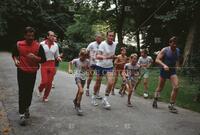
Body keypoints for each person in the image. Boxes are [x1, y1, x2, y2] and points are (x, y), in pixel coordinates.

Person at [12, 27, 46, 126]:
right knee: (22, 92)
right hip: (21, 71)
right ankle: (21, 114)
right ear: (25, 35)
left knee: (29, 92)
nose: (31, 38)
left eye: (32, 36)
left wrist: (35, 58)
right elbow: (14, 54)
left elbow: (43, 60)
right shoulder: (19, 44)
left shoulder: (38, 46)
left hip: (32, 72)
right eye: (29, 36)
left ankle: (26, 107)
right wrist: (16, 61)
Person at [152, 36, 180, 113]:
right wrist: (164, 65)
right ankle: (155, 99)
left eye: (176, 43)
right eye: (173, 43)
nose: (174, 45)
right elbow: (157, 59)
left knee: (176, 87)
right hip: (164, 71)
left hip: (172, 71)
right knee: (160, 87)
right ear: (170, 43)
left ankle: (171, 105)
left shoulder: (177, 50)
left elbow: (177, 60)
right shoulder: (165, 50)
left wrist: (178, 66)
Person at [91, 31, 117, 109]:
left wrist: (115, 57)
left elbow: (113, 55)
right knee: (98, 83)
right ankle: (94, 97)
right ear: (107, 36)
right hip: (100, 66)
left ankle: (105, 99)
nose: (111, 37)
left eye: (112, 36)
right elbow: (97, 55)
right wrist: (107, 57)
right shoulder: (102, 44)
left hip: (109, 66)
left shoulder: (115, 44)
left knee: (111, 82)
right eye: (110, 35)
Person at [38, 31, 62, 102]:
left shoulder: (56, 45)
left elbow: (57, 55)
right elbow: (38, 54)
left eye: (53, 35)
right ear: (47, 36)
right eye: (51, 35)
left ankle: (45, 96)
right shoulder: (41, 44)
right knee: (44, 81)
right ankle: (40, 89)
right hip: (44, 63)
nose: (53, 37)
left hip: (52, 64)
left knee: (49, 83)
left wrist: (58, 58)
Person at [68, 48, 90, 115]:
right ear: (79, 54)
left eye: (84, 56)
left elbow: (88, 69)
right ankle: (78, 106)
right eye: (82, 55)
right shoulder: (76, 60)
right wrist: (70, 69)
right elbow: (70, 63)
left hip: (84, 77)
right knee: (81, 91)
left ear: (86, 56)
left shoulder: (87, 61)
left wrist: (87, 68)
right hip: (77, 76)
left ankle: (75, 100)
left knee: (79, 91)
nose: (83, 57)